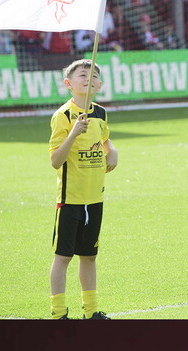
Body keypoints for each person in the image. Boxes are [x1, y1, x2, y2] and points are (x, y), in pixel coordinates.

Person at [48, 59, 118, 319]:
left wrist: (113, 151)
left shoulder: (100, 113)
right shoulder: (63, 116)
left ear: (100, 85)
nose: (89, 78)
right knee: (63, 257)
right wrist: (73, 133)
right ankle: (58, 314)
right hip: (70, 200)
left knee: (89, 257)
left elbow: (104, 138)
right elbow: (56, 160)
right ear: (69, 84)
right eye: (82, 75)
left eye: (94, 75)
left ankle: (91, 313)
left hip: (95, 198)